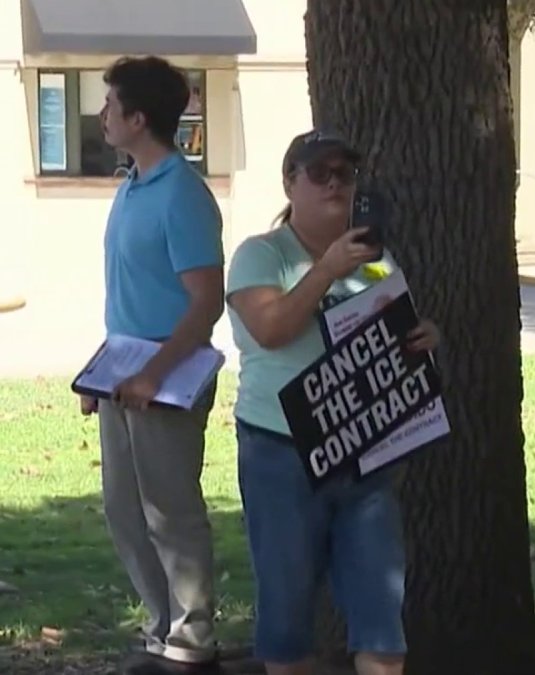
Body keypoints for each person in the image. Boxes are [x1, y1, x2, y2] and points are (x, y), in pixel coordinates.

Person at [225, 129, 440, 675]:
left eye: (346, 174)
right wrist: (325, 271)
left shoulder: (376, 261)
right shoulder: (261, 255)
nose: (336, 184)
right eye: (320, 173)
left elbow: (393, 334)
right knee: (287, 607)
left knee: (381, 615)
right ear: (290, 183)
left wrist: (421, 338)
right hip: (281, 449)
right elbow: (271, 328)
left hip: (364, 450)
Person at [80, 55, 226, 675]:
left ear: (140, 118)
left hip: (170, 377)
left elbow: (206, 301)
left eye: (111, 105)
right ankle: (162, 627)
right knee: (124, 509)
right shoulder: (131, 186)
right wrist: (102, 377)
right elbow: (128, 298)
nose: (102, 114)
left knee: (170, 510)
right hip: (123, 373)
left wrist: (154, 373)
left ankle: (193, 638)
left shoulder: (183, 195)